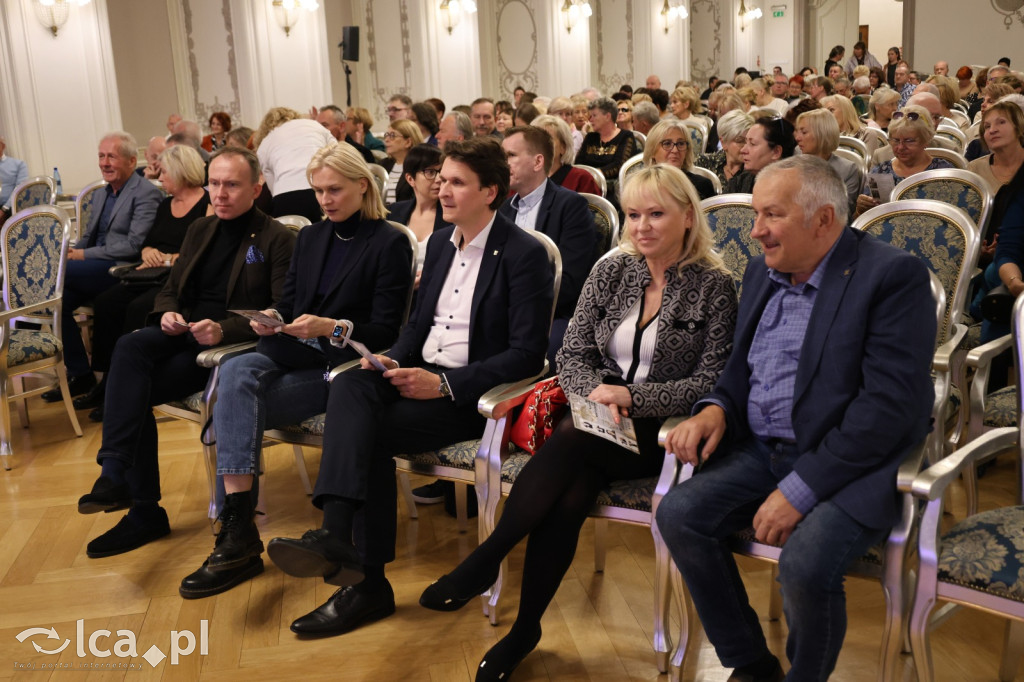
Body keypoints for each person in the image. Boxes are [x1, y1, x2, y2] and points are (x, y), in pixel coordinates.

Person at [421, 164, 738, 681]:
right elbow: (570, 353)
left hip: (664, 433)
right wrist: (595, 394)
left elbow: (711, 381)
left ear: (687, 216)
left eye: (656, 214)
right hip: (595, 422)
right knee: (569, 493)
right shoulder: (615, 269)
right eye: (634, 215)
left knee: (572, 441)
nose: (642, 227)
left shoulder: (714, 285)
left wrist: (631, 396)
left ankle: (487, 559)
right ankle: (525, 628)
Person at [657, 154, 935, 682]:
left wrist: (801, 488)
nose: (755, 230)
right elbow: (740, 364)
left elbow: (886, 411)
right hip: (765, 449)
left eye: (771, 215)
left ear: (823, 220)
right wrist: (717, 407)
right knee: (679, 515)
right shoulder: (766, 269)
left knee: (804, 565)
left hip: (852, 463)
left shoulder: (892, 277)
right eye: (757, 213)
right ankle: (750, 663)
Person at [265, 136, 554, 638]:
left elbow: (527, 355)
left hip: (472, 398)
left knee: (365, 433)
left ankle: (365, 581)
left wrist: (442, 384)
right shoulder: (440, 243)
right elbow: (416, 329)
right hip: (417, 376)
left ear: (490, 191)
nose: (442, 190)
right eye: (441, 179)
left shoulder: (524, 253)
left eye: (457, 182)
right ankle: (337, 537)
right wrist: (389, 359)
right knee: (352, 385)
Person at [178, 143, 413, 599]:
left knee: (236, 385)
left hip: (342, 365)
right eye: (318, 190)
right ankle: (239, 522)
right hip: (295, 352)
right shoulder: (310, 237)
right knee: (235, 366)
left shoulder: (388, 241)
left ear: (362, 186)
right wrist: (270, 316)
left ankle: (237, 535)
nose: (325, 199)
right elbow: (289, 306)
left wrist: (333, 326)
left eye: (334, 190)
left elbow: (386, 327)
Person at [76, 147, 296, 559]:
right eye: (214, 183)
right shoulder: (200, 229)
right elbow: (171, 288)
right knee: (130, 346)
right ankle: (115, 473)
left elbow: (281, 311)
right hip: (185, 331)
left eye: (232, 184)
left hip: (225, 348)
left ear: (256, 187)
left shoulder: (276, 238)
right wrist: (167, 312)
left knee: (129, 390)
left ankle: (142, 509)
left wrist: (224, 330)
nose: (221, 193)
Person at [76, 145, 212, 420]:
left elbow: (204, 250)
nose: (160, 178)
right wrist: (149, 253)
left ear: (181, 172)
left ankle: (125, 386)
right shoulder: (165, 204)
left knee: (138, 308)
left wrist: (173, 258)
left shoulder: (207, 204)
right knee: (107, 303)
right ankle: (106, 381)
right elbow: (147, 243)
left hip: (180, 278)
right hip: (150, 273)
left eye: (165, 172)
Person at [41, 132, 163, 403]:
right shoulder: (100, 194)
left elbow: (134, 244)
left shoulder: (146, 193)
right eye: (101, 156)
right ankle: (79, 373)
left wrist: (81, 255)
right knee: (55, 300)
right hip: (94, 266)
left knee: (53, 275)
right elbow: (89, 237)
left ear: (132, 161)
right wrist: (73, 251)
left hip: (121, 268)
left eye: (111, 156)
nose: (104, 163)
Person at [498, 125, 598, 362]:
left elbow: (571, 280)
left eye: (511, 156)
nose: (503, 164)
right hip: (505, 309)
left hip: (552, 312)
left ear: (537, 161)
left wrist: (516, 300)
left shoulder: (570, 206)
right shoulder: (503, 209)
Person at [856, 105, 955, 216]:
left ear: (926, 140)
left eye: (909, 141)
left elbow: (955, 216)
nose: (901, 147)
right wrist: (861, 209)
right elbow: (870, 219)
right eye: (896, 140)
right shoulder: (881, 172)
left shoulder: (943, 172)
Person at [254, 107, 335, 223]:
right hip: (320, 189)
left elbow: (272, 185)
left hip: (285, 197)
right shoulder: (315, 126)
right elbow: (337, 154)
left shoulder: (265, 143)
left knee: (292, 238)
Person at [387, 144, 448, 278]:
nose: (438, 180)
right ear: (410, 179)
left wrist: (427, 276)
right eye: (430, 172)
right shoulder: (393, 212)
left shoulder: (451, 216)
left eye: (441, 172)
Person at [794, 108, 861, 213]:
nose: (797, 138)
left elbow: (844, 214)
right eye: (797, 131)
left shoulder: (847, 170)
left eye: (804, 132)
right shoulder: (795, 161)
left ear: (822, 133)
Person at [574, 97, 641, 203]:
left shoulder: (626, 136)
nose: (590, 120)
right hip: (586, 187)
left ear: (607, 116)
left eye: (594, 115)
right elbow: (578, 164)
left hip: (612, 192)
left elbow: (619, 166)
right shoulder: (590, 137)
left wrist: (594, 174)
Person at [643, 119, 716, 200]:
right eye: (667, 144)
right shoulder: (640, 186)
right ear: (652, 151)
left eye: (681, 144)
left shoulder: (702, 186)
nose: (675, 150)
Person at [723, 116, 796, 194]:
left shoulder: (795, 191)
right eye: (745, 142)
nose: (743, 150)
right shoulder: (738, 183)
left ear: (776, 152)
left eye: (752, 144)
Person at [531, 115, 601, 195]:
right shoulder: (523, 178)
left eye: (548, 140)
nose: (540, 144)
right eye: (535, 140)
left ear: (563, 147)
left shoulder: (582, 179)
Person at [697, 110, 754, 187]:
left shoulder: (754, 170)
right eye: (740, 141)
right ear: (723, 142)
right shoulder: (704, 163)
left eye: (750, 142)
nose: (746, 147)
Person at [380, 119, 424, 205]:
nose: (386, 140)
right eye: (386, 135)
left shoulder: (419, 166)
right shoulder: (383, 164)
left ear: (408, 142)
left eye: (392, 136)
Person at [0, 134, 29, 221]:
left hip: (11, 207)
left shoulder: (19, 165)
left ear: (3, 146)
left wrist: (4, 209)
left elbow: (20, 189)